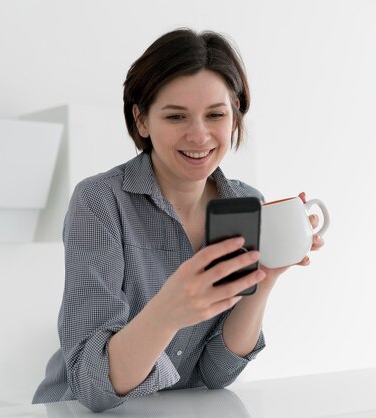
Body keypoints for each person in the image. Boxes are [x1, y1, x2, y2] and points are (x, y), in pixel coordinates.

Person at [33, 28, 325, 412]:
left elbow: (216, 372)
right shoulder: (100, 201)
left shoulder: (246, 202)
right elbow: (93, 385)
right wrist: (168, 311)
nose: (199, 135)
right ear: (141, 121)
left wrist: (265, 278)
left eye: (216, 114)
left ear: (234, 117)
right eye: (176, 116)